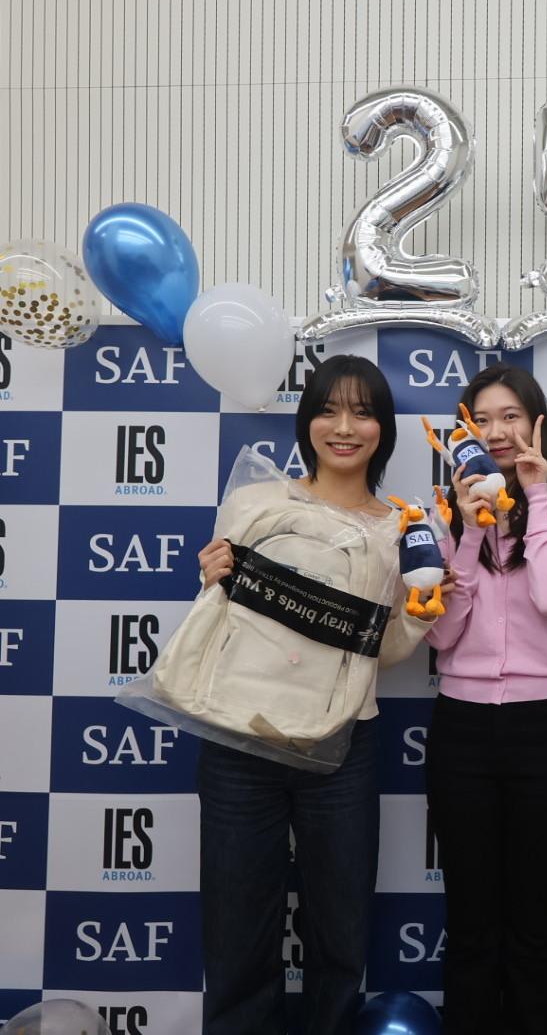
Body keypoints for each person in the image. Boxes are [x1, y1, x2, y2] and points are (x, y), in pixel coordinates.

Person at [195, 355, 433, 1035]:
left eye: (362, 412)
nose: (344, 426)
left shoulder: (402, 529)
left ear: (382, 429)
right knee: (238, 929)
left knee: (341, 931)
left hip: (341, 744)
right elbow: (224, 623)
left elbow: (378, 651)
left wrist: (418, 616)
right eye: (328, 409)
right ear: (307, 423)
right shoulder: (257, 501)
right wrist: (211, 577)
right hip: (239, 737)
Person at [424, 364, 547, 1035]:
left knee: (533, 921)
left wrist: (535, 494)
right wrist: (469, 531)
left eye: (510, 417)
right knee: (469, 922)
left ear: (536, 425)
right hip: (462, 728)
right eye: (481, 420)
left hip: (546, 729)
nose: (497, 432)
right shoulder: (443, 516)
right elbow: (439, 632)